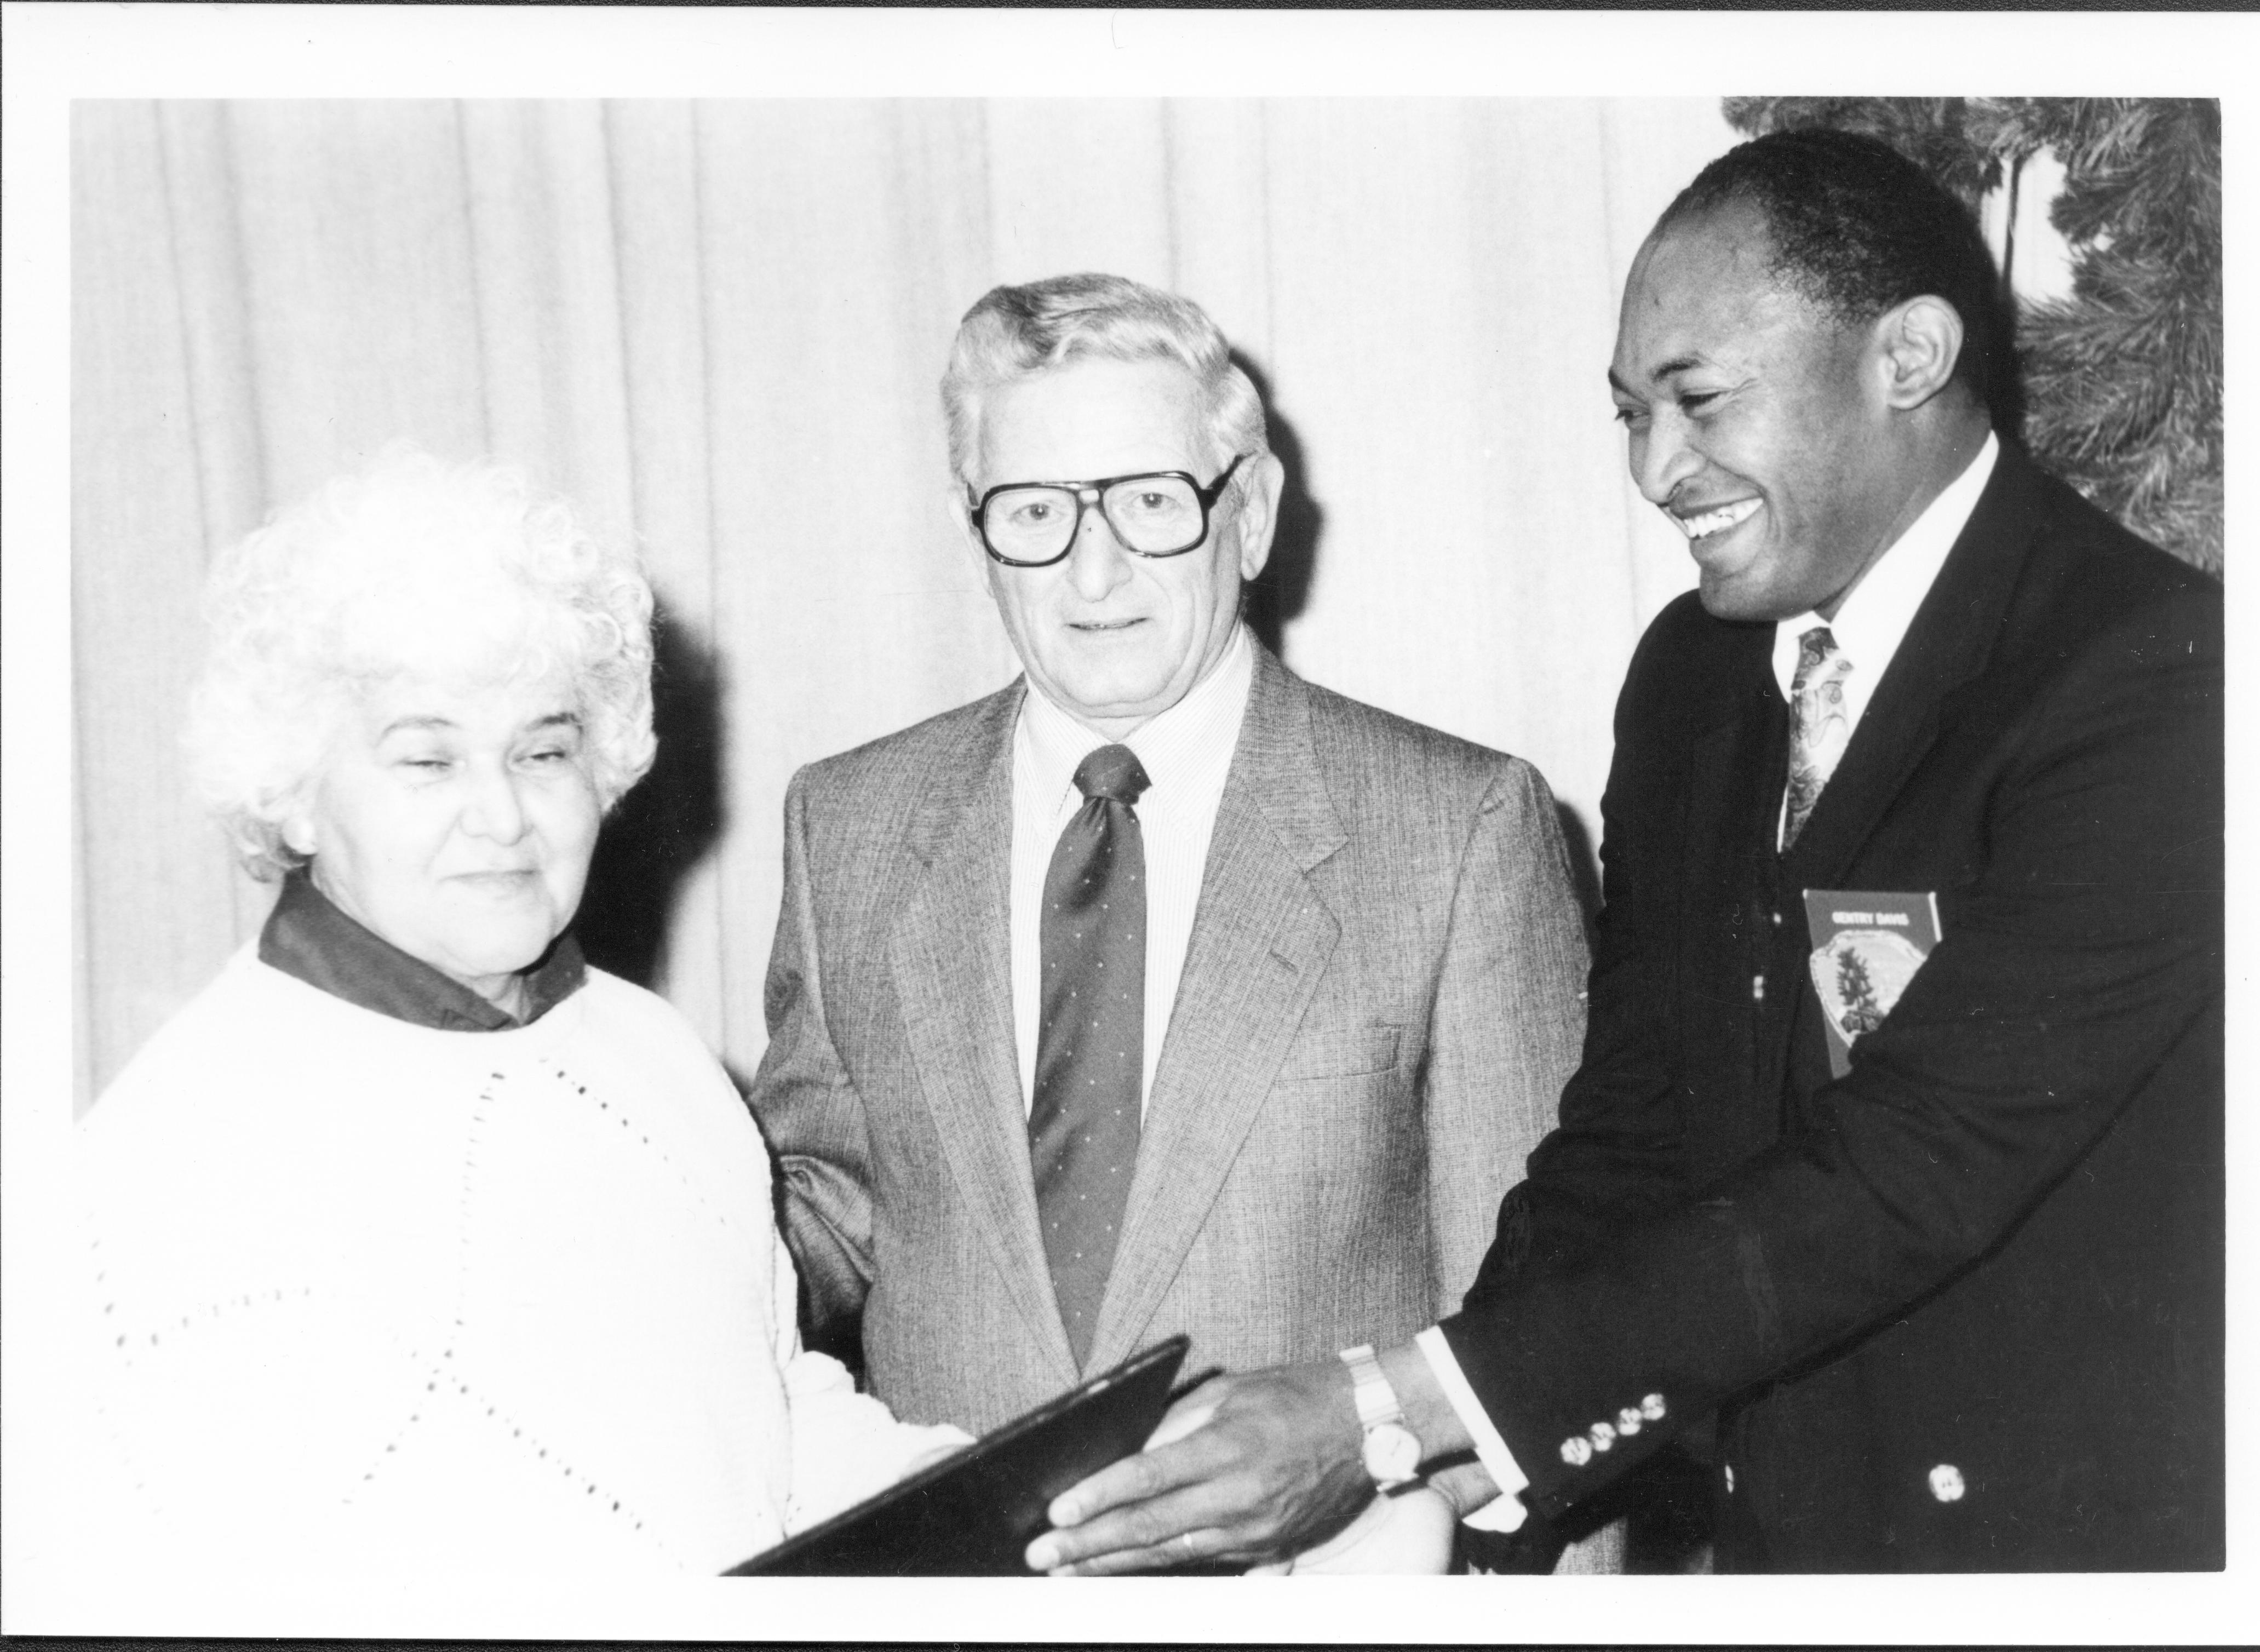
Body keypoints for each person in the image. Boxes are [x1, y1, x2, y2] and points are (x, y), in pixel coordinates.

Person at [1026, 129, 2223, 1575]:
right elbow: (1633, 1126)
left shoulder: (2159, 680)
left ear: (1904, 356)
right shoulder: (1694, 677)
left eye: (1697, 399)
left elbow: (1914, 1165)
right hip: (1781, 1544)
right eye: (1627, 415)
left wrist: (1377, 1410)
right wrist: (1440, 1475)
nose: (1656, 468)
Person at [746, 273, 1602, 1570]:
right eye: (1033, 510)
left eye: (1149, 501)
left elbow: (1540, 1337)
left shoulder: (1457, 828)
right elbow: (827, 1213)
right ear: (975, 529)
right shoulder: (849, 824)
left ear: (1246, 513)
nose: (1092, 569)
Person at [70, 449, 965, 1580]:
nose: (500, 815)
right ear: (291, 787)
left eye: (542, 750)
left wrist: (1060, 1503)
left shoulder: (649, 1053)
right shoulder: (175, 1158)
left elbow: (771, 1426)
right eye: (426, 757)